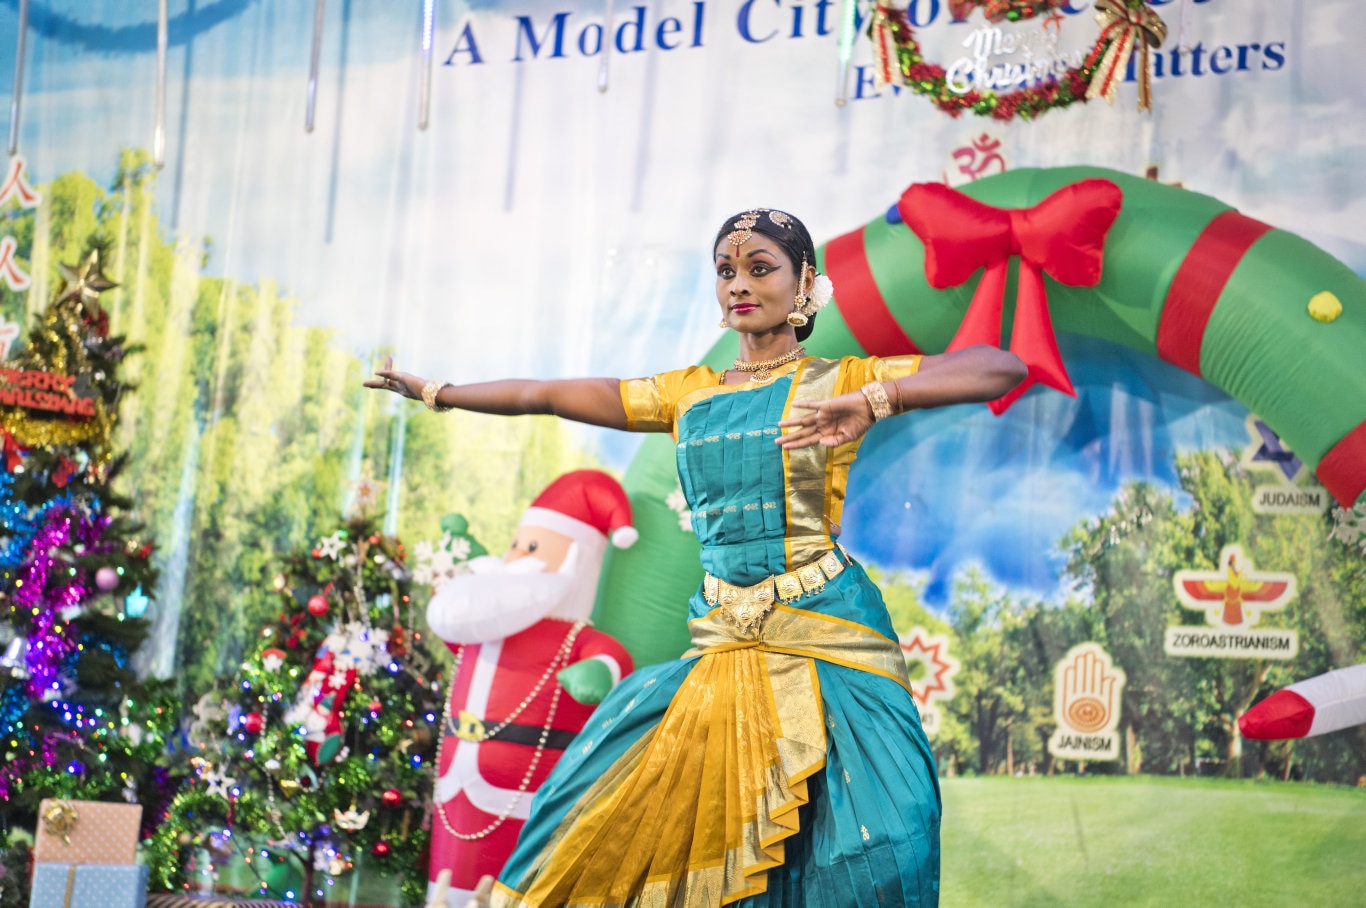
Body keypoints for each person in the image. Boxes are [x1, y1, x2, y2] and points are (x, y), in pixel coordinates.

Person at [368, 208, 1027, 907]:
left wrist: (876, 397)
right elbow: (548, 394)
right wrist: (440, 394)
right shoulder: (688, 393)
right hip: (725, 639)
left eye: (759, 267)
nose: (738, 284)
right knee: (627, 819)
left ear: (806, 281)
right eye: (725, 271)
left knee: (887, 835)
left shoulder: (838, 379)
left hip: (829, 636)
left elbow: (998, 365)